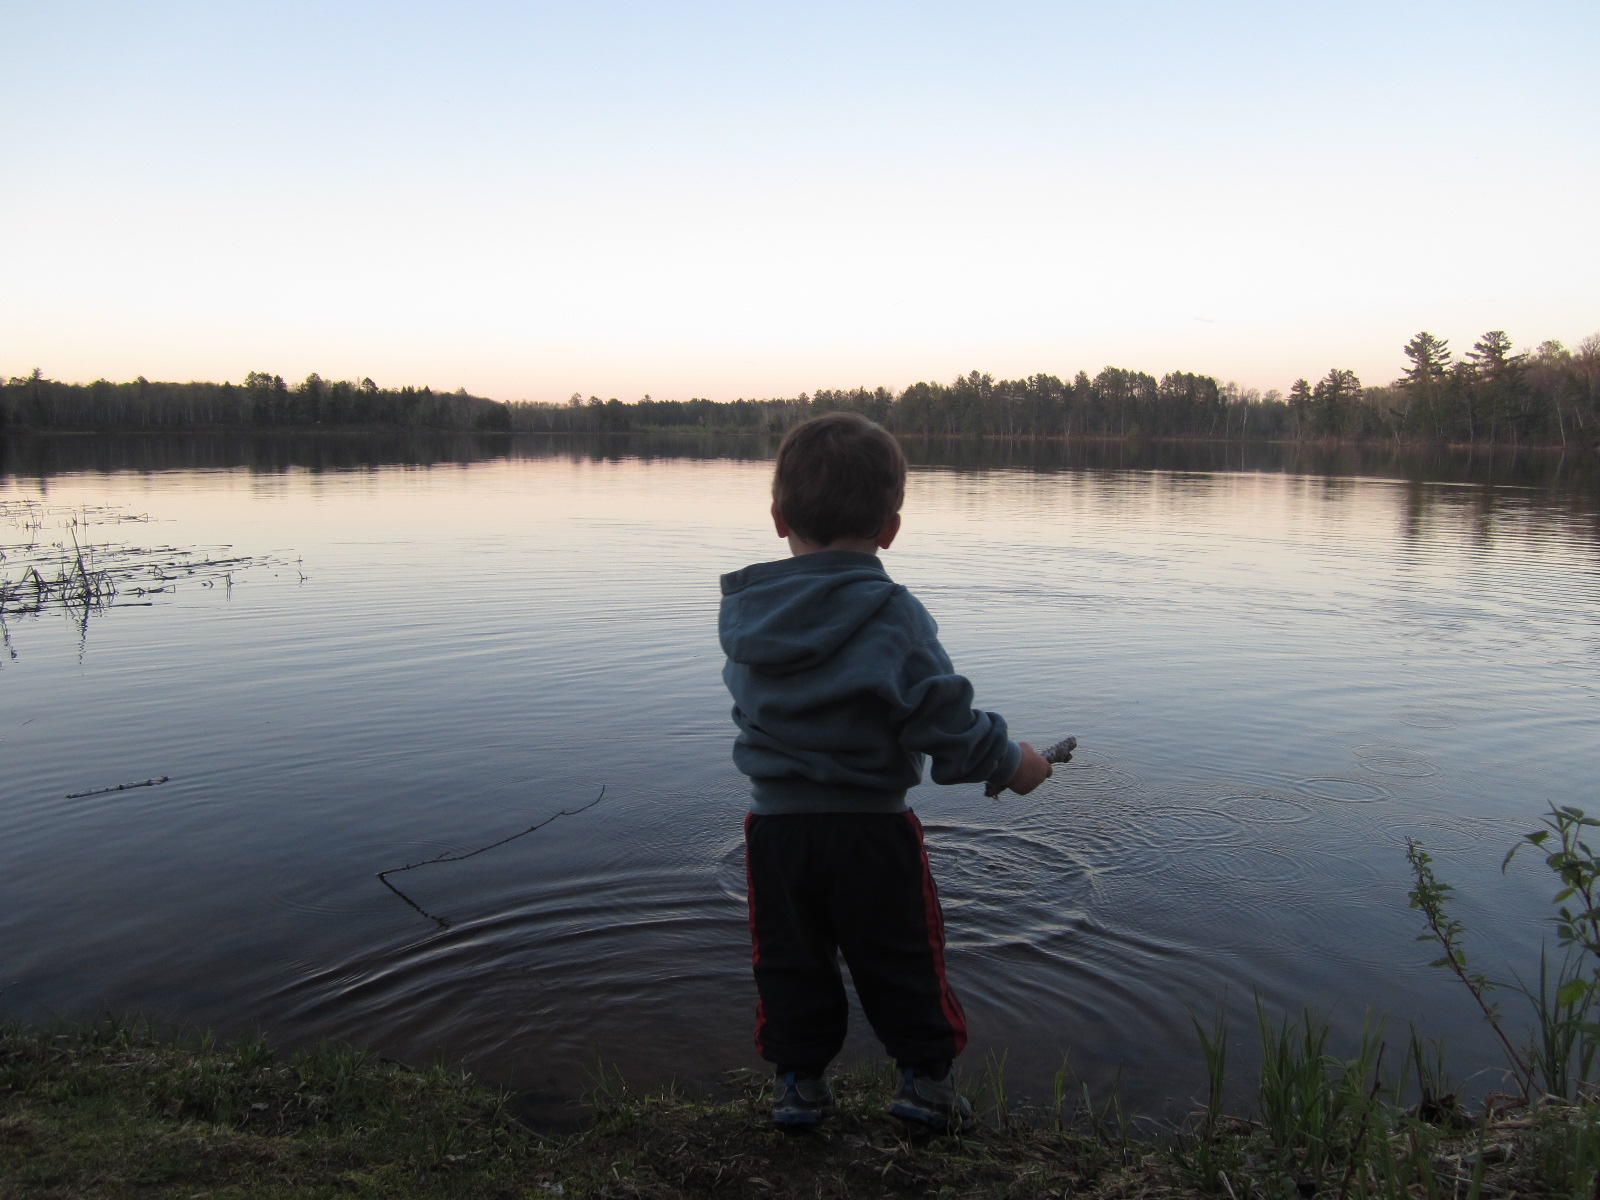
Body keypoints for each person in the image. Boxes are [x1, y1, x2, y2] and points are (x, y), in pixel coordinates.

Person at [718, 411, 1052, 1133]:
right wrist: (1013, 763)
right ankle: (926, 1087)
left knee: (789, 960)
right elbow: (944, 722)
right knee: (904, 956)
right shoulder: (893, 613)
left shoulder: (748, 618)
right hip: (872, 830)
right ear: (890, 529)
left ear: (778, 518)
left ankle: (800, 1086)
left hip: (774, 832)